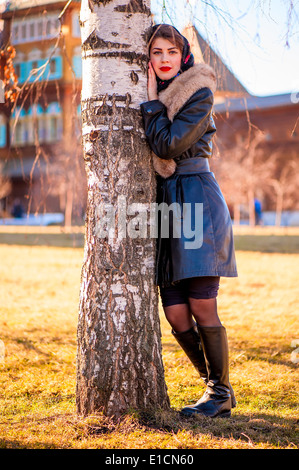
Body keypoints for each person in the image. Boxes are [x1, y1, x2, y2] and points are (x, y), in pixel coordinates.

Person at [140, 24, 238, 418]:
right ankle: (216, 388)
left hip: (196, 196)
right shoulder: (163, 95)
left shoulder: (199, 92)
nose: (163, 59)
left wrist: (150, 102)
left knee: (201, 305)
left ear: (183, 56)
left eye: (170, 51)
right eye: (156, 52)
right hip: (167, 204)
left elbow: (167, 144)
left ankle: (219, 391)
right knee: (175, 311)